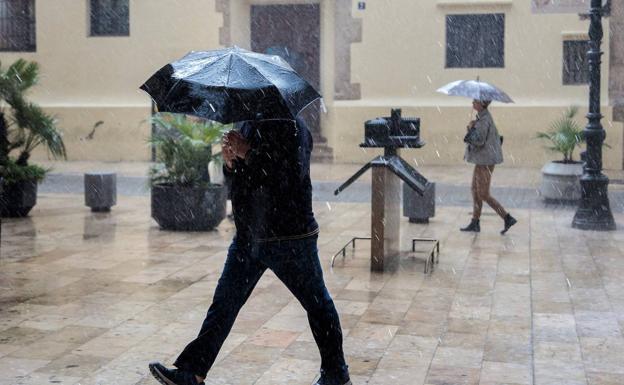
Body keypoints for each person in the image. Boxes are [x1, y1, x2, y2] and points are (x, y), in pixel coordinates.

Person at [149, 118, 351, 385]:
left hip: (289, 237)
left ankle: (337, 374)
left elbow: (290, 175)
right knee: (224, 303)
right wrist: (230, 162)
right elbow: (245, 180)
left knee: (317, 304)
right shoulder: (248, 123)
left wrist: (248, 153)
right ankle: (193, 372)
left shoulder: (294, 127)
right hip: (250, 235)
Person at [461, 99, 517, 234]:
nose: (472, 103)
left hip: (486, 160)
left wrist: (470, 128)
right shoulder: (482, 117)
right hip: (482, 160)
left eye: (475, 101)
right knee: (475, 190)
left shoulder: (484, 120)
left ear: (482, 104)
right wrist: (474, 125)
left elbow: (479, 141)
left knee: (483, 193)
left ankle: (507, 217)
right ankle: (475, 222)